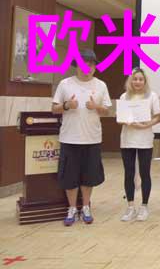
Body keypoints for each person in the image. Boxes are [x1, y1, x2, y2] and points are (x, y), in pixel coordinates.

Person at [51, 49, 111, 226]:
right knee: (69, 177)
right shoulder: (65, 84)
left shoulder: (101, 85)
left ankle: (85, 206)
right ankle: (71, 209)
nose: (88, 68)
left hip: (92, 138)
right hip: (70, 138)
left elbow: (107, 110)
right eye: (84, 64)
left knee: (88, 176)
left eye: (92, 65)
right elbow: (54, 109)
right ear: (77, 66)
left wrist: (96, 106)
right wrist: (67, 105)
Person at [117, 68, 160, 222]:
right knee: (128, 173)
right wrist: (128, 122)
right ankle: (130, 207)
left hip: (145, 139)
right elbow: (120, 118)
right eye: (135, 79)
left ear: (145, 81)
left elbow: (158, 116)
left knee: (144, 173)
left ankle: (144, 206)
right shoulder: (124, 97)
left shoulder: (152, 96)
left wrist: (146, 125)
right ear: (130, 81)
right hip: (127, 139)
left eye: (141, 79)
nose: (137, 82)